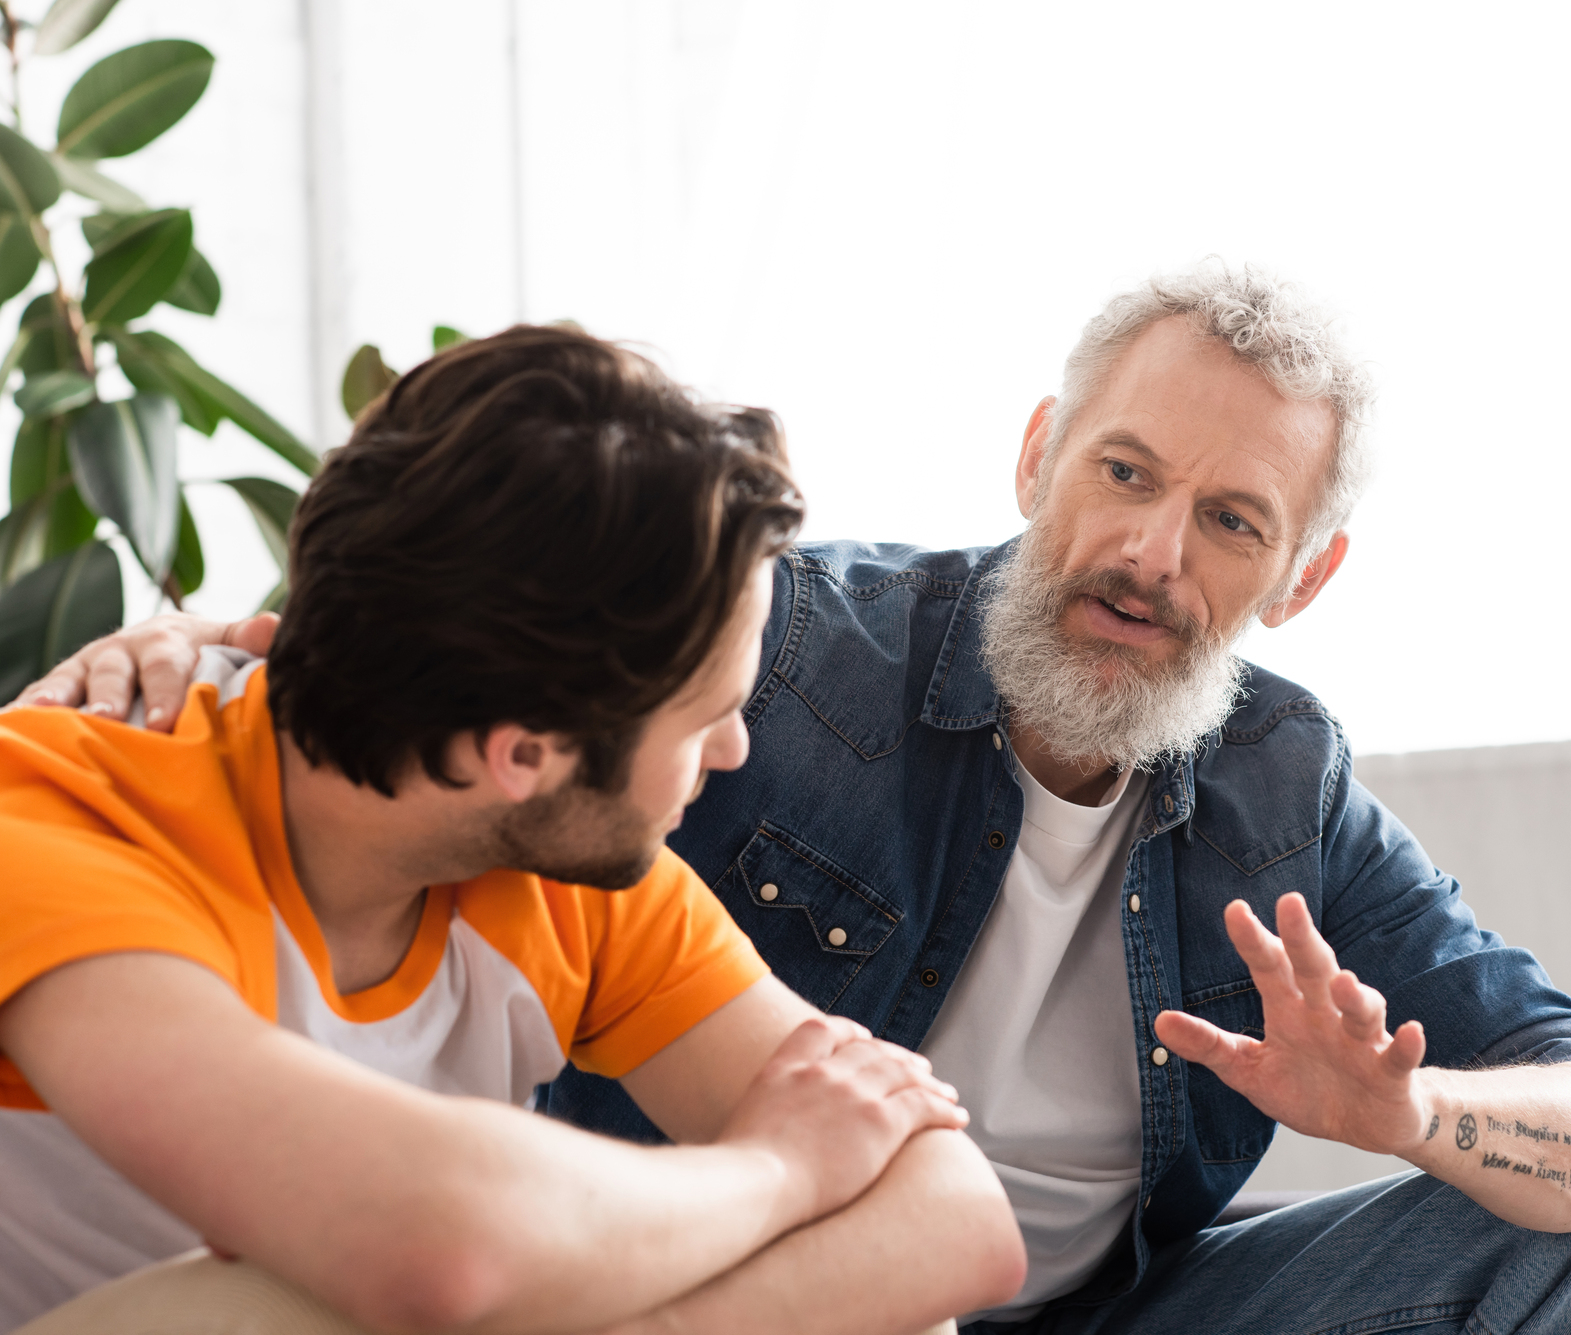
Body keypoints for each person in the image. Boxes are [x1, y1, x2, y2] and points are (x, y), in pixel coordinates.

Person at [22, 263, 1571, 1334]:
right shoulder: (778, 646)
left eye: (1233, 522)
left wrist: (1410, 1120)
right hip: (754, 1287)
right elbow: (487, 593)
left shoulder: (1282, 785)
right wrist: (199, 641)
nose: (1152, 557)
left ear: (1303, 577)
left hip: (1034, 1302)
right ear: (1038, 456)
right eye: (1124, 474)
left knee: (1563, 1234)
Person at [0, 328, 1024, 1334]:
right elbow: (436, 1250)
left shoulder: (560, 862)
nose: (731, 755)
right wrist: (780, 1166)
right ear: (523, 755)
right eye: (707, 714)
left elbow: (960, 1226)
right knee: (273, 1302)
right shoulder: (60, 819)